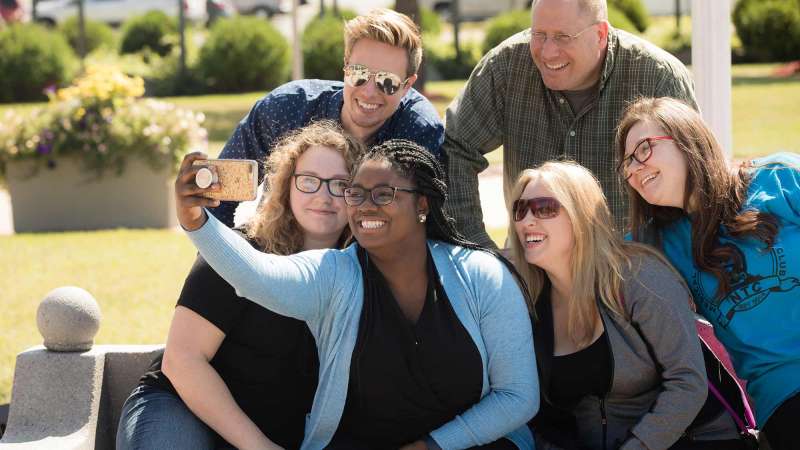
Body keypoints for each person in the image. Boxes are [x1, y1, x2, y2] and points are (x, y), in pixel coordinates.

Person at [175, 139, 540, 449]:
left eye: (384, 194)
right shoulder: (336, 274)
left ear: (422, 205)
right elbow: (257, 276)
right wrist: (196, 222)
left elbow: (518, 396)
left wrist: (431, 446)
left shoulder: (480, 276)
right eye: (356, 194)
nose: (365, 206)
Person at [116, 122, 363, 450]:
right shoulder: (238, 252)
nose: (323, 195)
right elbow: (183, 360)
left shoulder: (362, 275)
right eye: (308, 181)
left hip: (275, 430)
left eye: (340, 184)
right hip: (183, 406)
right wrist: (258, 447)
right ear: (286, 188)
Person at [508, 161, 747, 450]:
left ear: (581, 216)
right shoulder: (528, 302)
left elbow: (688, 382)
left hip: (692, 439)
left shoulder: (637, 276)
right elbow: (540, 414)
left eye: (544, 208)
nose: (526, 221)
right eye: (520, 210)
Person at [616, 97, 800, 450]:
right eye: (627, 161)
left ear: (687, 139)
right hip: (785, 394)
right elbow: (584, 254)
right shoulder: (657, 243)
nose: (634, 168)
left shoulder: (779, 179)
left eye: (644, 149)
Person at [441, 0, 696, 248]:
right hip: (534, 274)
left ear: (600, 34)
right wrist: (479, 251)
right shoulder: (505, 68)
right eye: (539, 34)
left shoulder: (659, 77)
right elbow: (453, 147)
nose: (548, 51)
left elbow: (695, 179)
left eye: (563, 37)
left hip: (633, 273)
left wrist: (656, 270)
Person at [211, 8, 444, 227]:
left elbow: (422, 228)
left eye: (388, 82)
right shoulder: (286, 109)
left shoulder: (418, 132)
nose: (369, 91)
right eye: (359, 73)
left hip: (366, 264)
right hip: (274, 255)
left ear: (407, 86)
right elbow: (218, 195)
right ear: (345, 67)